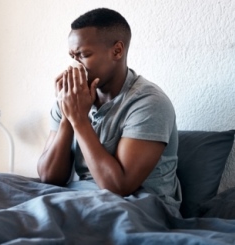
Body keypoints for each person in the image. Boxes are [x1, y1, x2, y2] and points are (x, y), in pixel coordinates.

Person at [37, 8, 181, 208]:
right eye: (73, 57)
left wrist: (79, 119)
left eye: (83, 55)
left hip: (138, 206)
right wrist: (67, 117)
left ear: (117, 51)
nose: (75, 66)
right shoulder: (71, 100)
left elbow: (119, 186)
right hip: (81, 199)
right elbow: (49, 177)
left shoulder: (148, 103)